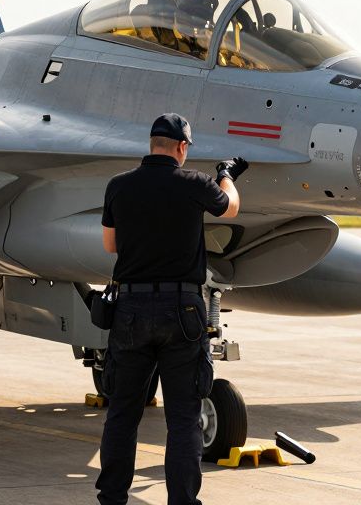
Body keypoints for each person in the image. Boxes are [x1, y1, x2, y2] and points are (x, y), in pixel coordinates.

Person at [96, 113, 248, 505]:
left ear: (152, 144)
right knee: (182, 418)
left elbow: (110, 245)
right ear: (181, 147)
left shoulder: (119, 186)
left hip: (130, 309)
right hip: (182, 312)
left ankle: (111, 499)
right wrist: (226, 174)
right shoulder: (194, 183)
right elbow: (229, 207)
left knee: (122, 415)